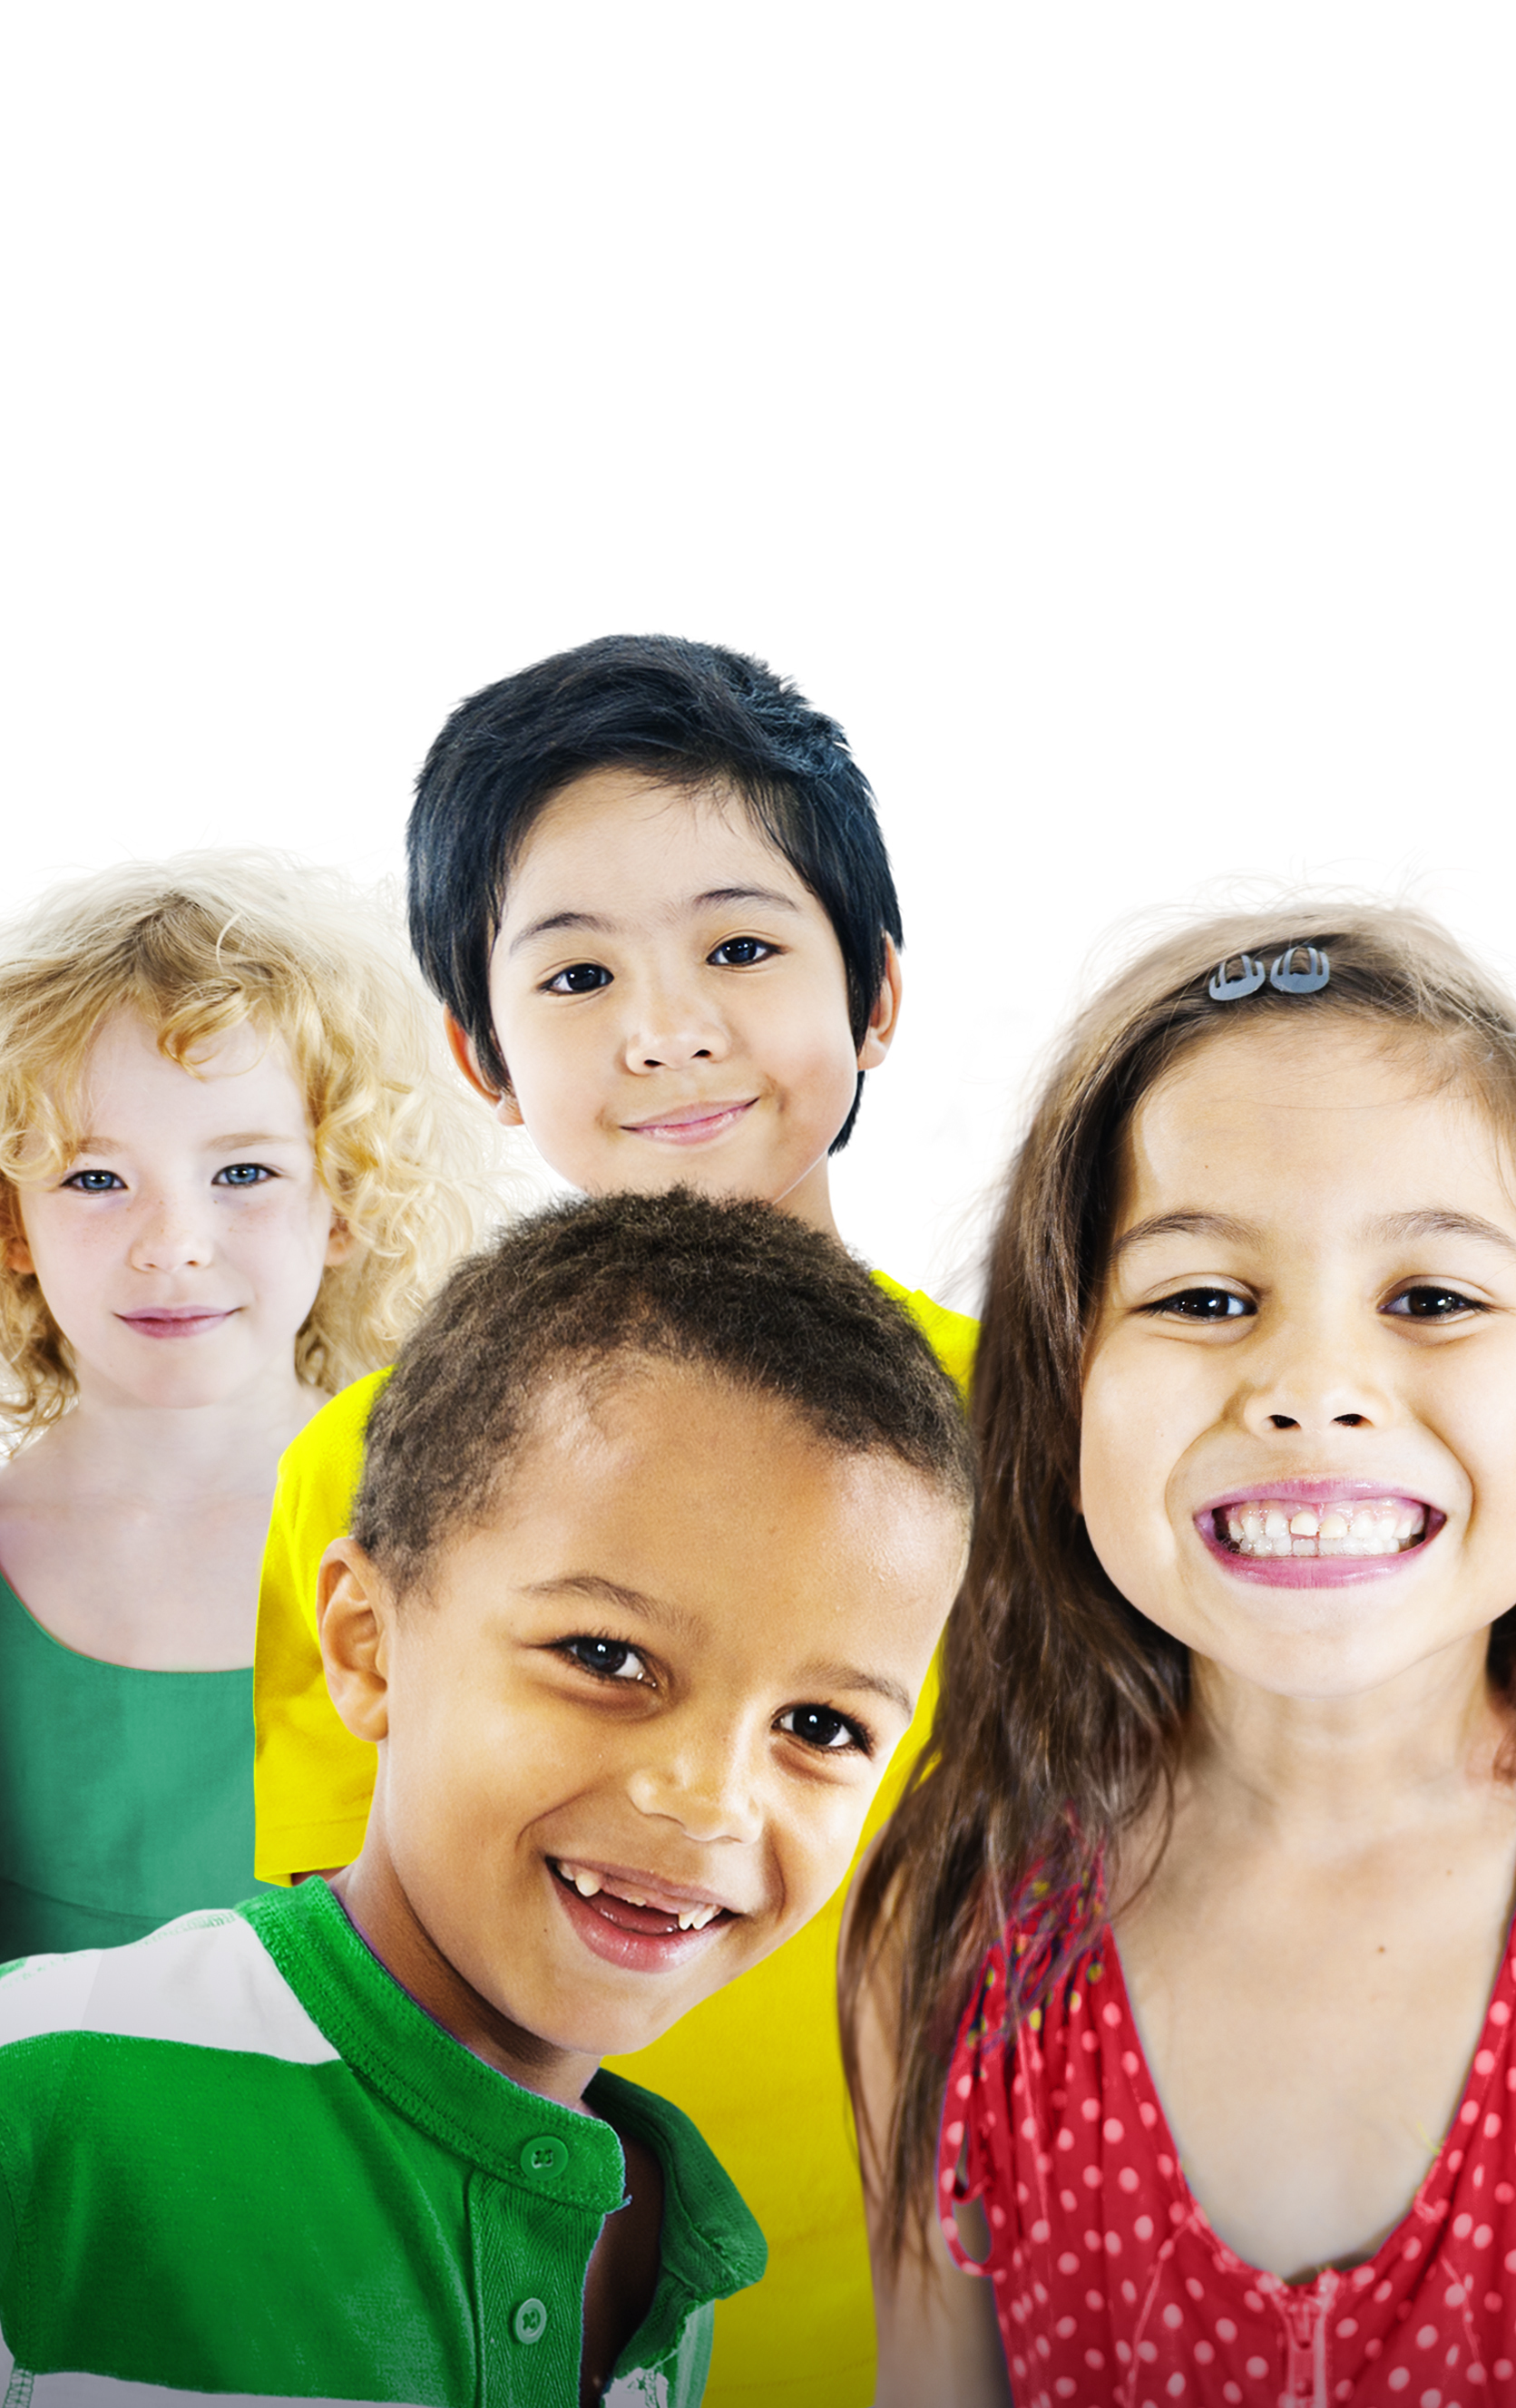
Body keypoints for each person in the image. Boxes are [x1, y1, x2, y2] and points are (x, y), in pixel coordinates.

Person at [845, 907, 1516, 2407]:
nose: (1313, 1391)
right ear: (1057, 1419)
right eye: (1201, 1298)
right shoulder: (964, 1912)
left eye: (1433, 1300)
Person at [243, 635, 976, 2403]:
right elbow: (328, 1975)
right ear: (479, 1050)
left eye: (740, 944)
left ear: (875, 990)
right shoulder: (368, 1464)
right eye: (573, 973)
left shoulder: (1042, 1420)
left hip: (935, 2323)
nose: (664, 1028)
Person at [0, 1188, 971, 2403]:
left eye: (821, 1725)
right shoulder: (41, 2095)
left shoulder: (675, 2250)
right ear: (366, 1645)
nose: (707, 1798)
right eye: (606, 1655)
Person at [0, 854, 487, 1956]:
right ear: (12, 1222)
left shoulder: (461, 1537)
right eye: (92, 1178)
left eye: (244, 1173)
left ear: (346, 1200)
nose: (173, 1243)